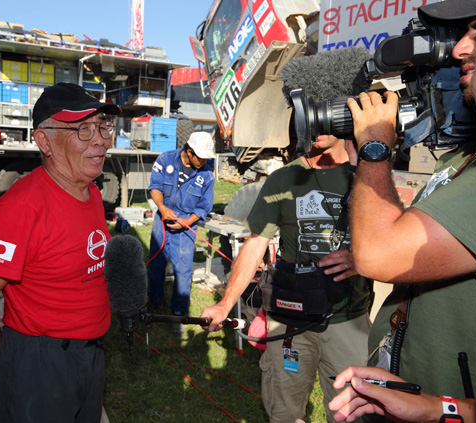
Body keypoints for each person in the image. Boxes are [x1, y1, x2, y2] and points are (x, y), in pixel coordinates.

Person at [323, 0, 476, 421]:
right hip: (427, 400)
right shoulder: (465, 160)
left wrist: (375, 146)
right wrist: (439, 408)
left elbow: (378, 252)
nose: (459, 51)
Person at [200, 51, 375, 420]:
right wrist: (224, 303)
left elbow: (393, 238)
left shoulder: (369, 173)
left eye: (330, 108)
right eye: (312, 109)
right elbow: (255, 244)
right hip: (291, 322)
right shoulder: (282, 179)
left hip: (350, 323)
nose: (321, 119)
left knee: (354, 414)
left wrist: (362, 257)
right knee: (282, 410)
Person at [0, 82, 121, 423]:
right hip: (40, 363)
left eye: (103, 127)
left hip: (89, 356)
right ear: (44, 141)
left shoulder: (90, 192)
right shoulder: (21, 208)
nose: (100, 140)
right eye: (82, 129)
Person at [147, 131, 216, 333]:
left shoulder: (207, 173)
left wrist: (188, 221)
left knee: (183, 269)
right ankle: (154, 302)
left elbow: (204, 206)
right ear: (189, 152)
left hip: (187, 225)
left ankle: (179, 313)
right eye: (201, 157)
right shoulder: (165, 159)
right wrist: (161, 207)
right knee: (156, 264)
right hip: (162, 220)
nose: (204, 161)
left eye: (206, 158)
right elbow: (155, 187)